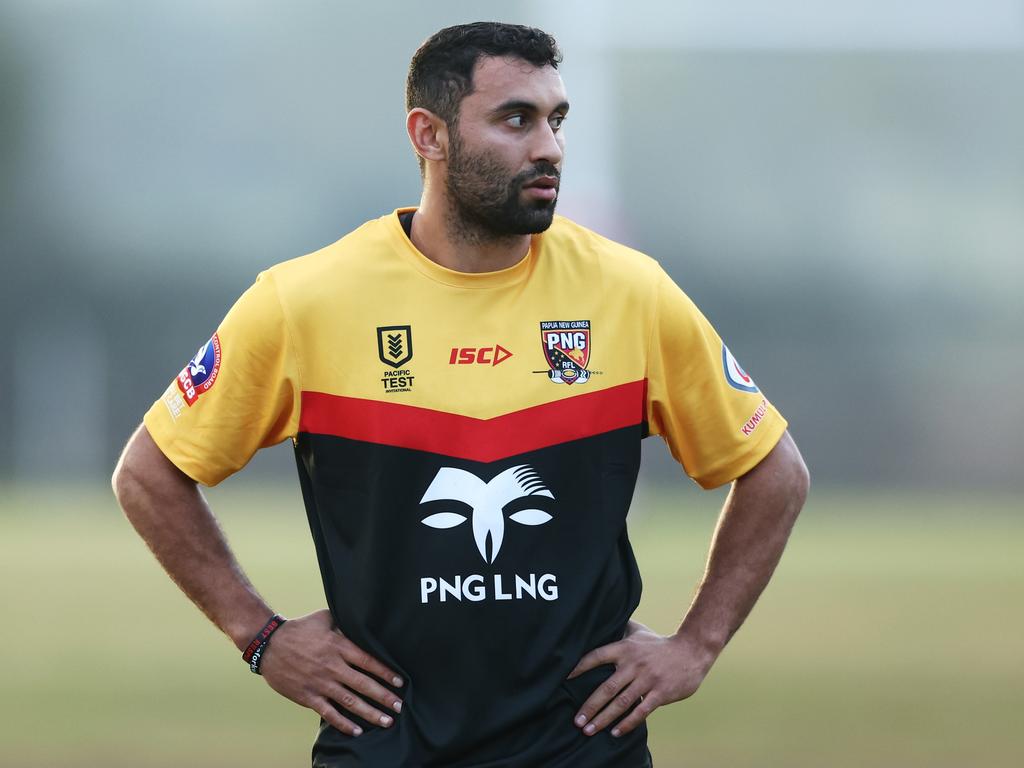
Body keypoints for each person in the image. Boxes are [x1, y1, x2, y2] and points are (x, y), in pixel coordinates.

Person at [112, 21, 809, 768]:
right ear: (429, 134)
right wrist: (262, 638)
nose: (548, 147)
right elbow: (150, 475)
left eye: (556, 120)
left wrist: (696, 646)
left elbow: (776, 472)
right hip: (385, 745)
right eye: (516, 119)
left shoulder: (630, 293)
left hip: (581, 749)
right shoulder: (303, 301)